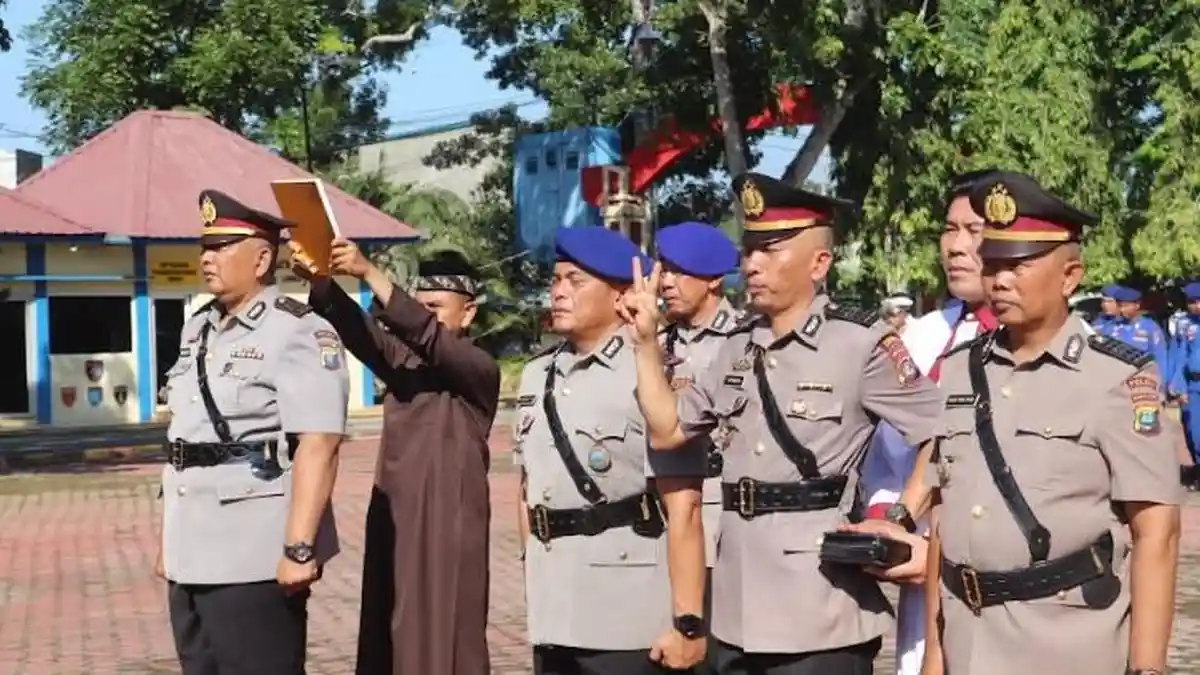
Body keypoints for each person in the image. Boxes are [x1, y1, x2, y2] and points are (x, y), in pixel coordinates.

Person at [624, 172, 942, 675]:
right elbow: (669, 431)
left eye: (770, 250)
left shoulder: (859, 344)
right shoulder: (735, 345)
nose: (751, 264)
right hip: (734, 604)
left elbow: (943, 432)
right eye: (749, 250)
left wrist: (901, 516)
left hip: (818, 606)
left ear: (819, 262)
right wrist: (644, 343)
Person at [920, 171, 1181, 675]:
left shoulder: (1117, 378)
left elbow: (1157, 533)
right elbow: (942, 518)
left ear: (1069, 276)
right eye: (992, 264)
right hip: (967, 640)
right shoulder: (958, 370)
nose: (1000, 280)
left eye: (1019, 264)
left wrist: (1147, 666)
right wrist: (934, 654)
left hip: (1064, 646)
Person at [158, 190, 349, 675]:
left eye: (222, 247)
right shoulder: (197, 328)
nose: (207, 258)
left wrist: (299, 548)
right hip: (191, 546)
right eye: (205, 247)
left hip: (254, 552)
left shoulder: (298, 331)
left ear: (262, 258)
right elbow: (187, 439)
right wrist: (168, 545)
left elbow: (319, 443)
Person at [290, 242, 498, 675]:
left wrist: (368, 272)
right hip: (395, 516)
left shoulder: (478, 369)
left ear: (469, 312)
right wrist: (322, 283)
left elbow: (427, 334)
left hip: (448, 523)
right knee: (390, 623)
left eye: (437, 307)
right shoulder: (402, 362)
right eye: (420, 305)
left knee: (448, 632)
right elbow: (358, 330)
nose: (426, 316)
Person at [514, 226, 707, 674]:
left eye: (575, 282)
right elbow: (528, 490)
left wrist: (688, 622)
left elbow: (685, 507)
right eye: (555, 280)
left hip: (627, 614)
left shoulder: (652, 372)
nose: (559, 292)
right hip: (554, 606)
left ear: (621, 294)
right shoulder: (537, 375)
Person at [859, 169, 999, 675]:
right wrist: (889, 524)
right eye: (948, 229)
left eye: (974, 231)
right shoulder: (919, 337)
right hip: (921, 587)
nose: (956, 247)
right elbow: (888, 455)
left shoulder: (1073, 349)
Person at [654, 220, 742, 672]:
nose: (664, 281)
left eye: (677, 270)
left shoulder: (746, 339)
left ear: (713, 279)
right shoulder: (654, 343)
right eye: (662, 268)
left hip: (722, 529)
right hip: (661, 535)